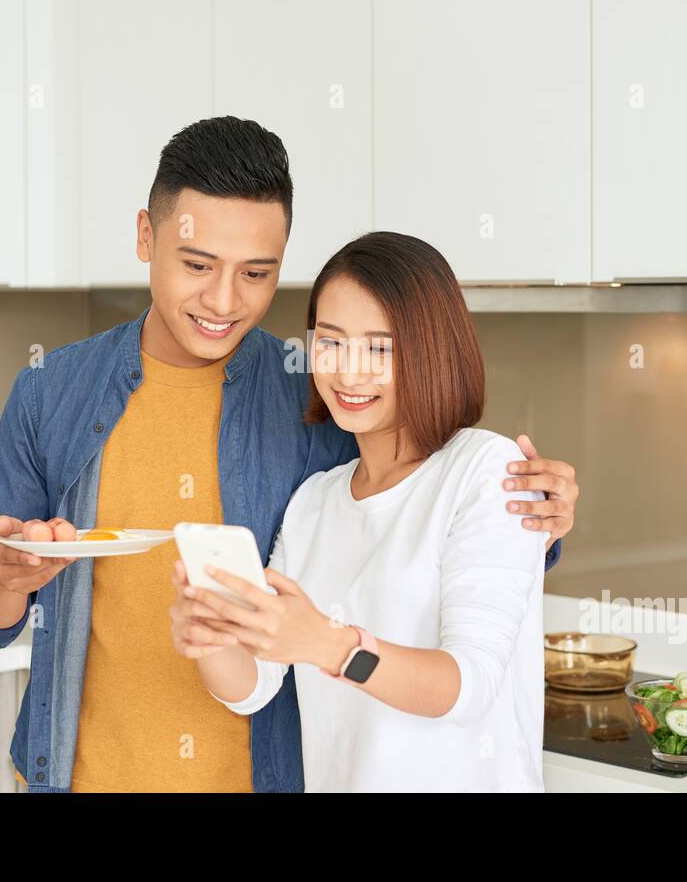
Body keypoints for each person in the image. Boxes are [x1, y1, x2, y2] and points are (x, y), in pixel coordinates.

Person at [0, 116, 579, 792]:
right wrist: (6, 578)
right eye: (197, 265)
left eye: (256, 272)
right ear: (145, 236)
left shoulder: (308, 391)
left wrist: (537, 516)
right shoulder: (52, 392)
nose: (223, 299)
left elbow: (414, 489)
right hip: (80, 775)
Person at [175, 232, 548, 791]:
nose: (349, 374)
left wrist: (328, 644)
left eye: (380, 348)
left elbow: (468, 687)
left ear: (432, 351)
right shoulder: (314, 502)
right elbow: (255, 685)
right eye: (330, 342)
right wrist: (212, 636)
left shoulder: (484, 470)